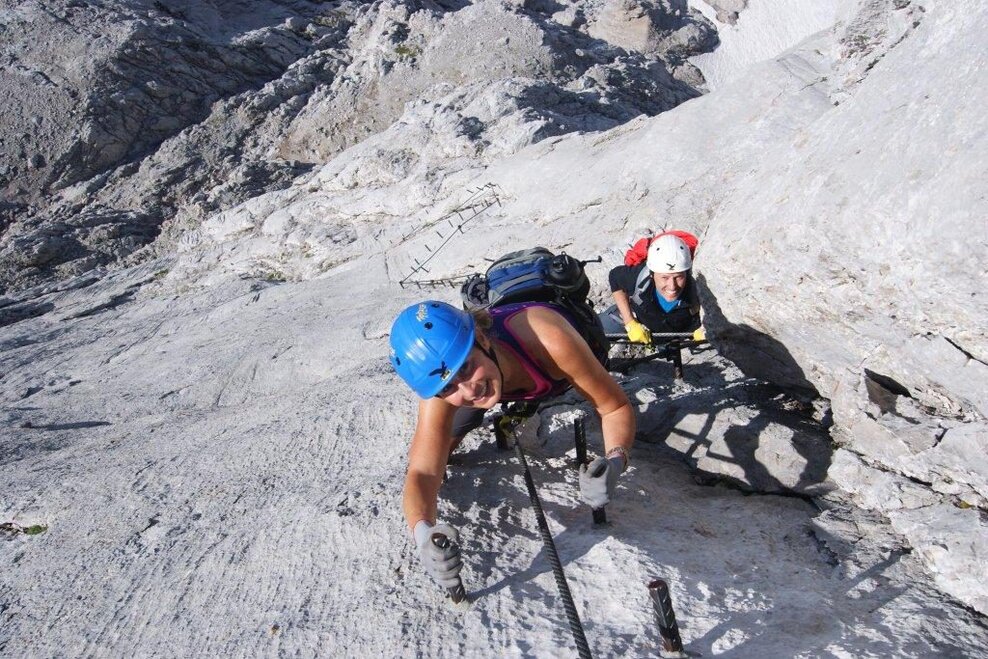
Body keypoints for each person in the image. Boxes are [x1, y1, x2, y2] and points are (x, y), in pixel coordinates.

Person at [389, 299, 635, 593]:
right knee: (446, 447)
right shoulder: (440, 377)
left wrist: (616, 458)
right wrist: (422, 533)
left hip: (549, 355)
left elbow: (614, 408)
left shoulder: (549, 342)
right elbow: (423, 470)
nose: (469, 390)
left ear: (481, 338)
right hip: (500, 367)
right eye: (448, 388)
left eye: (466, 369)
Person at [603, 233, 703, 345]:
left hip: (681, 334)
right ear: (652, 274)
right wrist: (630, 322)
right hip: (641, 322)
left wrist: (706, 329)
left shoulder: (698, 288)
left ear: (687, 273)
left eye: (678, 277)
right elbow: (615, 277)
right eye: (665, 278)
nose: (672, 286)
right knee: (595, 333)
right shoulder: (638, 277)